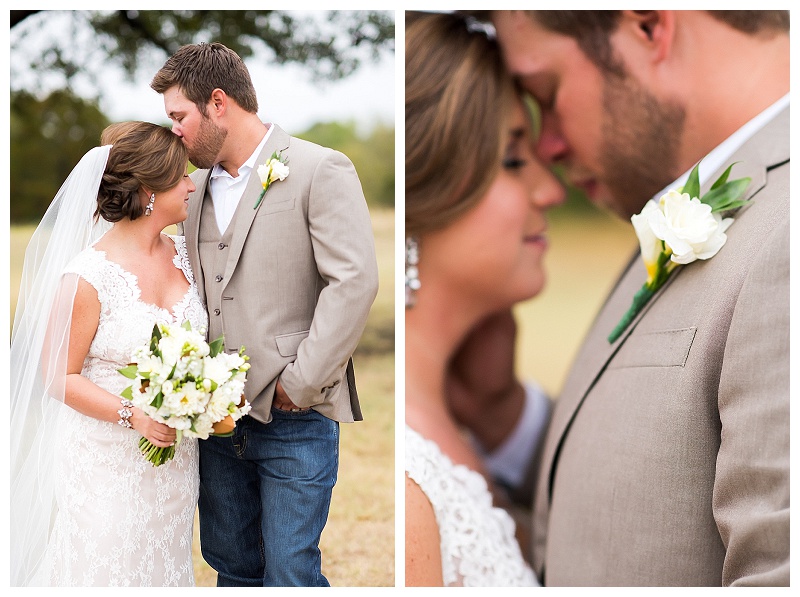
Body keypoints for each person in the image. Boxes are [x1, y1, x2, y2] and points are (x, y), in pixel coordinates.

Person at [449, 10, 789, 586]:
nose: (548, 145)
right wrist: (504, 418)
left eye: (546, 93)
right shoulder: (696, 196)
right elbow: (653, 506)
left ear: (650, 27)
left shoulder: (788, 231)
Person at [150, 42, 379, 587]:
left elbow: (354, 282)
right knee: (232, 568)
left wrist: (298, 384)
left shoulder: (319, 168)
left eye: (179, 116)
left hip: (295, 418)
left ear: (219, 102)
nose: (174, 132)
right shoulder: (193, 186)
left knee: (290, 571)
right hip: (213, 423)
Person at [404, 11, 565, 587]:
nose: (552, 189)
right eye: (515, 159)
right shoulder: (407, 485)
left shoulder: (454, 428)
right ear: (422, 185)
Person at [10, 121, 204, 586]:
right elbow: (59, 376)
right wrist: (133, 416)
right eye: (181, 176)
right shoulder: (86, 276)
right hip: (105, 461)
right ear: (150, 191)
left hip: (175, 463)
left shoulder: (187, 256)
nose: (192, 184)